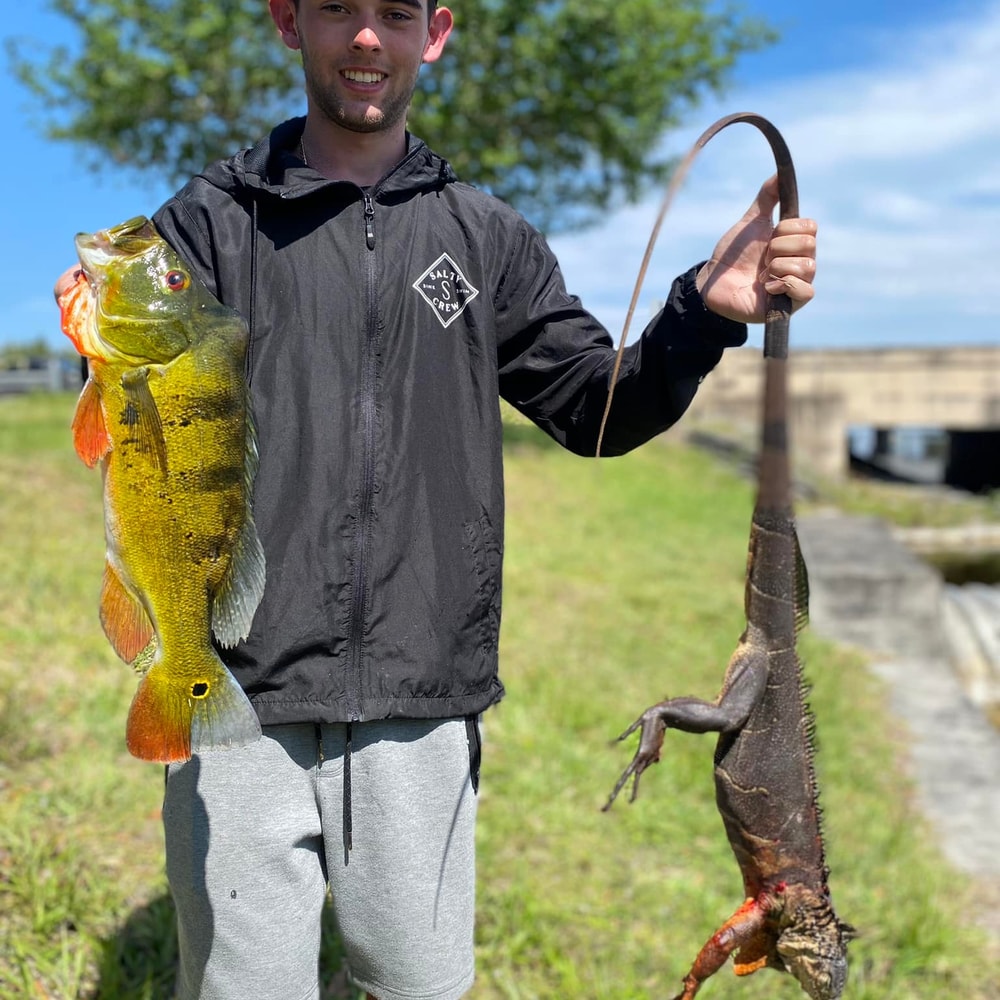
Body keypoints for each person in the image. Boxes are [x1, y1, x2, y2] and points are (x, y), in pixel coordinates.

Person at [57, 1, 818, 997]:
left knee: (417, 985)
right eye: (337, 8)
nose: (365, 37)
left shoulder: (486, 237)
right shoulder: (204, 224)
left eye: (394, 13)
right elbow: (137, 405)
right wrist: (91, 333)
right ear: (289, 22)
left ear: (437, 30)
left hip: (422, 698)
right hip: (238, 685)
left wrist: (700, 313)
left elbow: (596, 410)